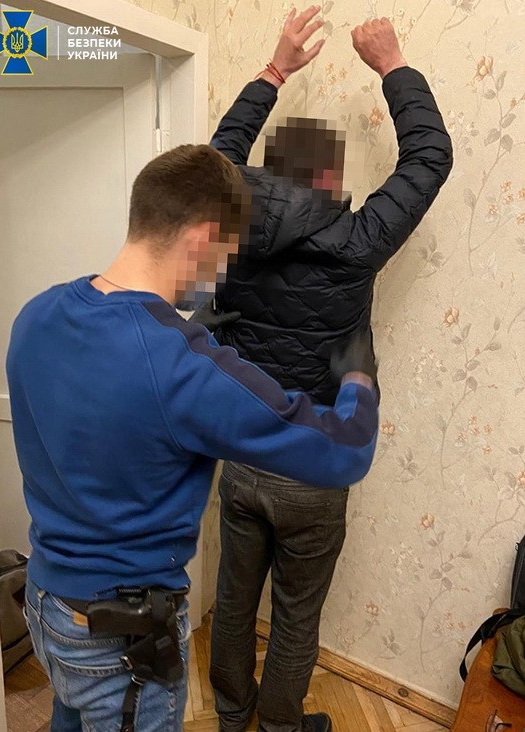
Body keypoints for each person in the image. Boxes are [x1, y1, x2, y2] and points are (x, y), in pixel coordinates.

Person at [6, 142, 379, 731]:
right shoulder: (183, 367)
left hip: (47, 605)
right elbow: (345, 450)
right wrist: (359, 378)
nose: (220, 275)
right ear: (204, 238)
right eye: (226, 255)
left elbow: (104, 414)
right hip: (122, 640)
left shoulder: (35, 315)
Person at [209, 8, 453, 732]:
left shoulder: (231, 229)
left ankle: (231, 715)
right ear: (331, 179)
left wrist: (275, 69)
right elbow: (429, 158)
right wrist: (393, 65)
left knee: (233, 602)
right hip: (315, 469)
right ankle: (280, 726)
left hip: (242, 458)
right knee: (295, 614)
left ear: (268, 173)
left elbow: (218, 154)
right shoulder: (357, 240)